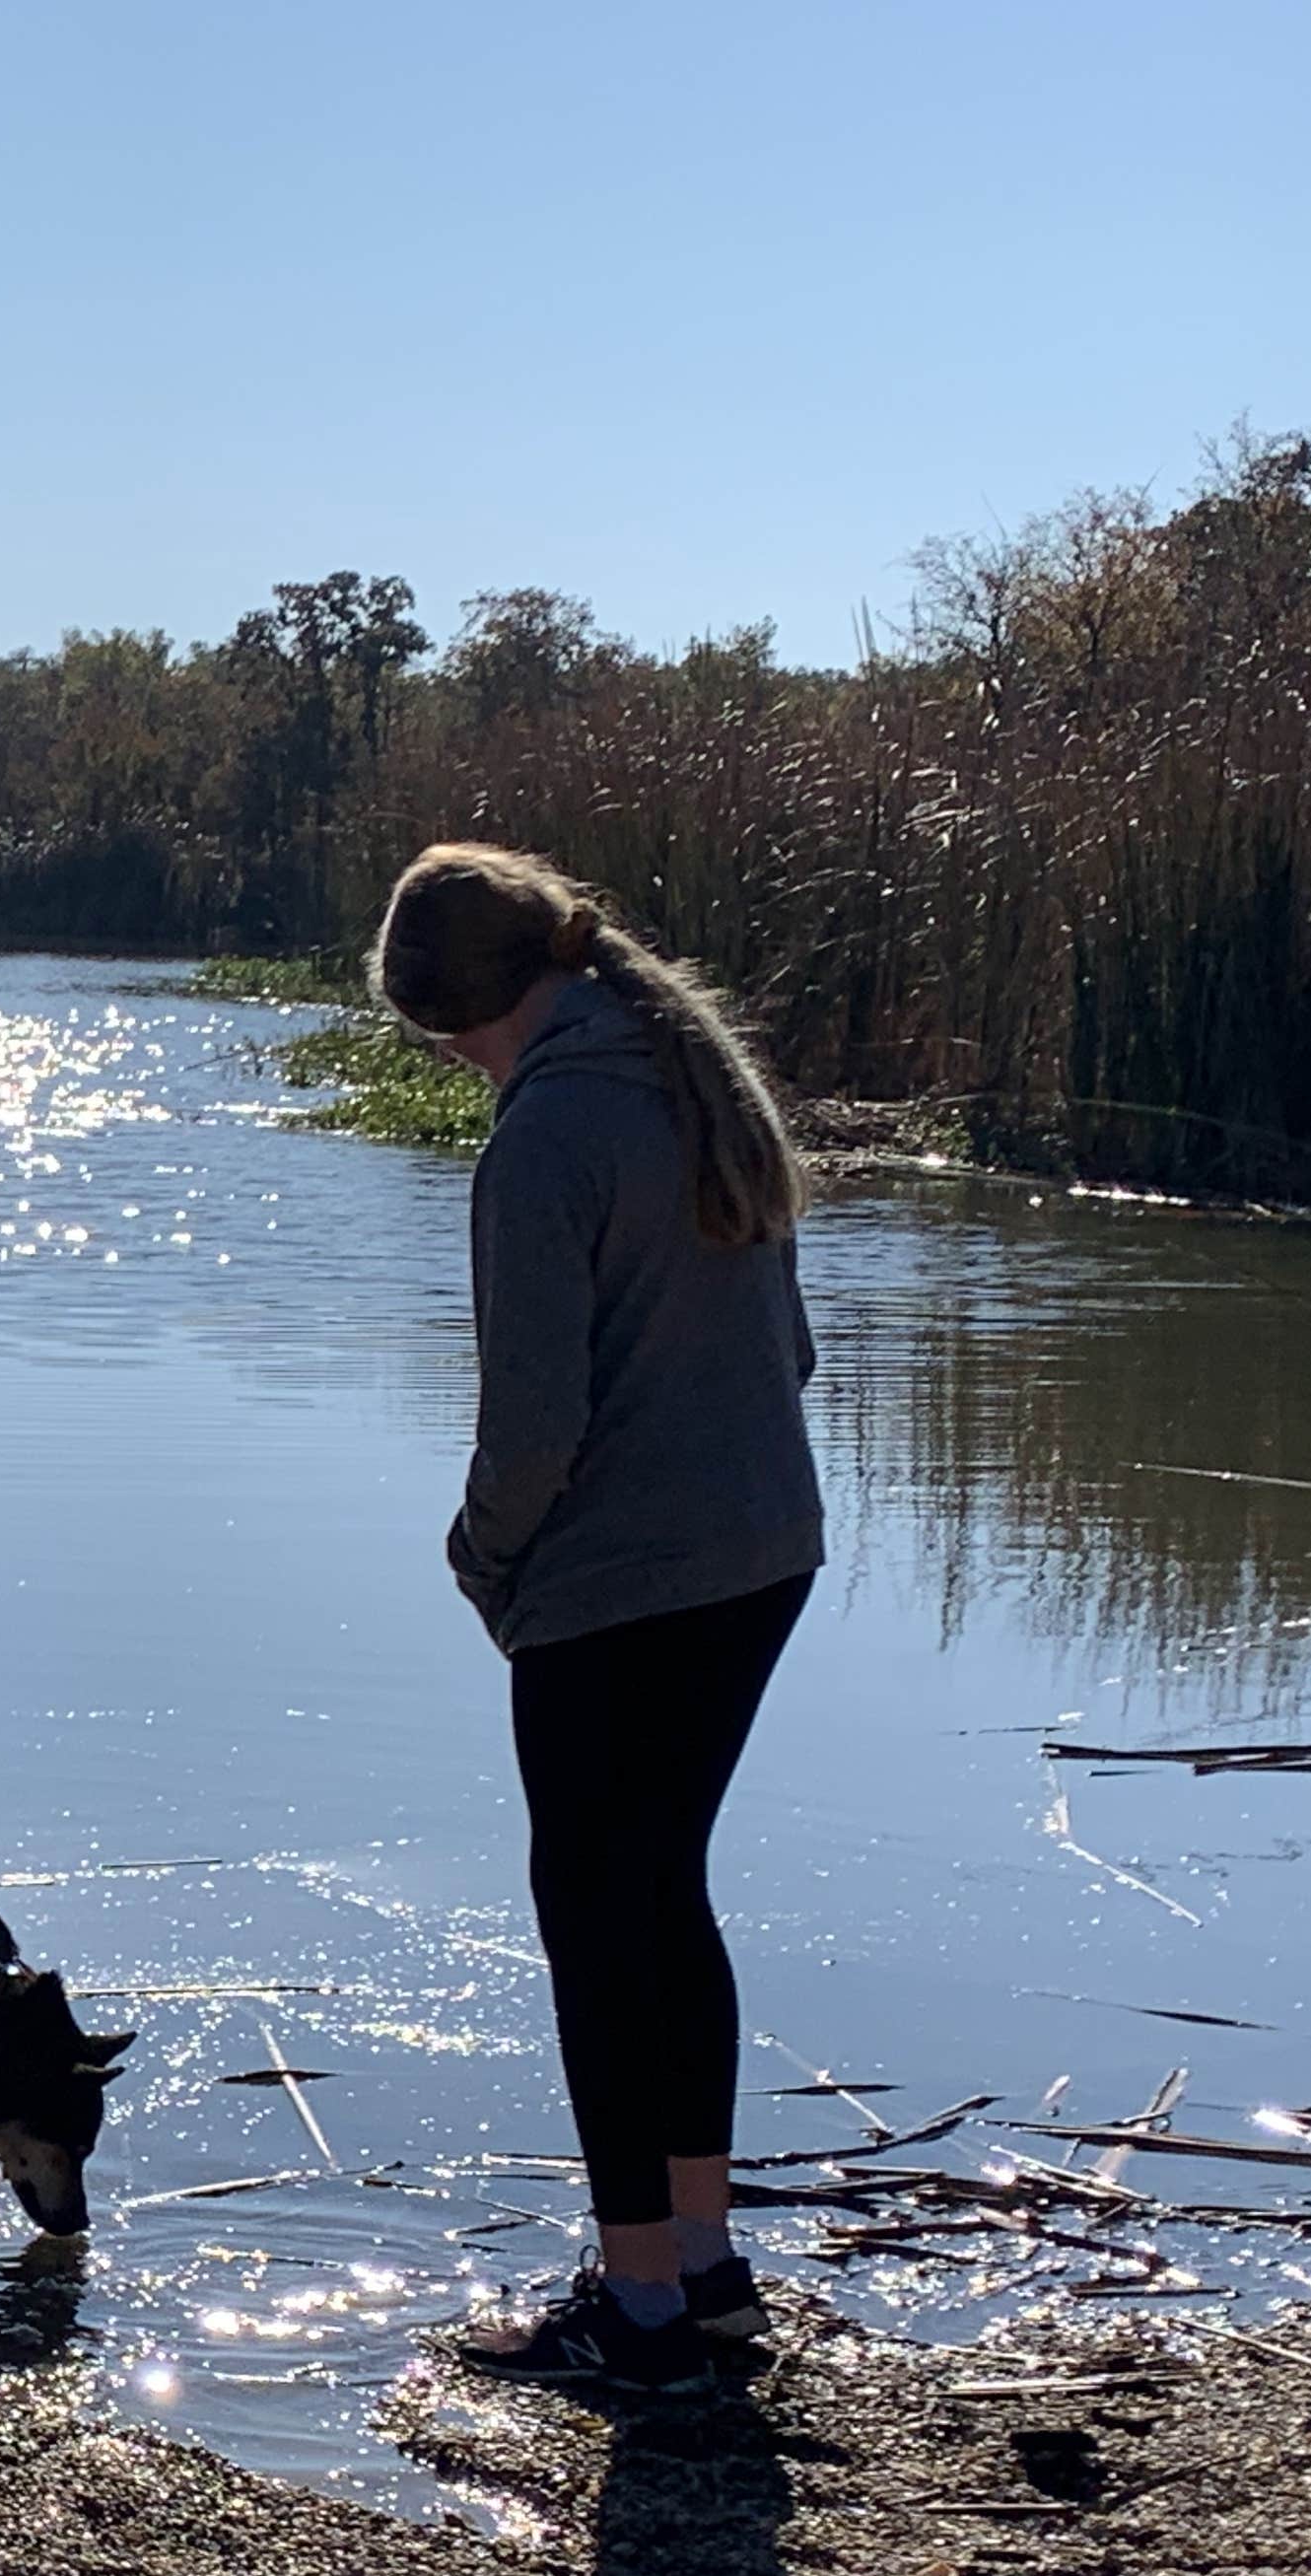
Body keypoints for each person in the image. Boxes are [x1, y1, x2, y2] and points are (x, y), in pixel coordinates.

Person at [373, 844, 824, 2396]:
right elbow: (795, 1354)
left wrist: (482, 1561)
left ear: (456, 1020)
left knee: (592, 1919)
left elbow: (534, 1427)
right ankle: (703, 2265)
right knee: (663, 1897)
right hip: (764, 1553)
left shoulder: (549, 1132)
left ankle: (635, 2307)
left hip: (623, 1582)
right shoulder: (699, 1078)